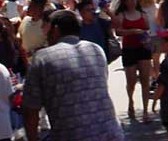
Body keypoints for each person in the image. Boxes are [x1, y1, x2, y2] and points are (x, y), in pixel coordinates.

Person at [23, 10, 124, 141]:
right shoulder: (96, 50)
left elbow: (31, 109)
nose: (44, 33)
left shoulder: (42, 58)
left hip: (71, 135)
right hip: (111, 132)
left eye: (46, 28)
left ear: (56, 29)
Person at [115, 0, 152, 123]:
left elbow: (148, 29)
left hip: (143, 49)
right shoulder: (121, 15)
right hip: (129, 49)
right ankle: (131, 101)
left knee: (145, 80)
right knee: (131, 81)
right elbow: (118, 31)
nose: (132, 2)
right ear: (125, 2)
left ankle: (146, 111)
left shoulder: (143, 14)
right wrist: (133, 31)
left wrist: (146, 37)